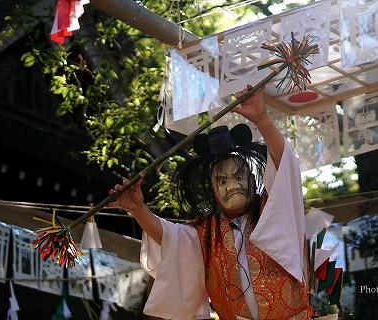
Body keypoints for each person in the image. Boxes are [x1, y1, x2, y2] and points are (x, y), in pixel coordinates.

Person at [108, 86, 314, 319]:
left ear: (252, 178)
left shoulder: (273, 211)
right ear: (213, 189)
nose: (232, 185)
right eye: (222, 180)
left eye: (238, 176)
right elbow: (171, 238)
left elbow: (284, 168)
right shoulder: (206, 233)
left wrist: (262, 120)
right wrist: (139, 210)